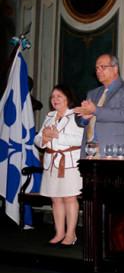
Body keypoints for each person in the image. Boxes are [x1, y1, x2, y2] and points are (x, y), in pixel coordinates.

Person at [34, 85, 83, 246]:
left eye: (59, 96)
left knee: (69, 198)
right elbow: (37, 139)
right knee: (55, 199)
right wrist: (45, 139)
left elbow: (80, 139)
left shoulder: (76, 115)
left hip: (69, 163)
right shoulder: (49, 116)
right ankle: (59, 232)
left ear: (68, 98)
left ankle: (71, 234)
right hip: (51, 162)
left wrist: (57, 136)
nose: (55, 99)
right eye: (53, 96)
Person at [74, 54, 124, 158]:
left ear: (115, 69)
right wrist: (84, 118)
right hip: (90, 153)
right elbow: (80, 121)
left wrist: (95, 110)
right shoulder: (92, 93)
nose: (98, 71)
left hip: (116, 152)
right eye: (96, 68)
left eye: (103, 67)